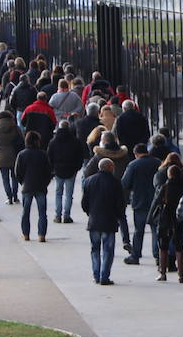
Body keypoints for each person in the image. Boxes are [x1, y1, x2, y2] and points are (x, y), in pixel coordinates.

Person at [81, 157, 126, 286]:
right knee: (108, 250)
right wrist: (118, 216)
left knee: (95, 249)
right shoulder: (115, 183)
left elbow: (84, 203)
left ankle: (96, 275)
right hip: (109, 221)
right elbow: (120, 204)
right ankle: (104, 276)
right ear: (111, 168)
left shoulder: (89, 181)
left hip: (94, 220)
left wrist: (90, 213)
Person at [150, 163, 183, 283]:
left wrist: (151, 216)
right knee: (179, 246)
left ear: (169, 175)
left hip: (166, 218)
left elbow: (157, 202)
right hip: (180, 219)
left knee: (163, 246)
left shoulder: (165, 187)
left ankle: (163, 273)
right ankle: (181, 275)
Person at [120, 144, 158, 265]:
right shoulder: (157, 163)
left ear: (136, 153)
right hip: (155, 201)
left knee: (138, 231)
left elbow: (125, 183)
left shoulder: (133, 165)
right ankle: (157, 255)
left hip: (139, 201)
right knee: (155, 230)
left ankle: (135, 255)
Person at [14, 130, 52, 242]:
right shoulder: (43, 154)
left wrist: (23, 182)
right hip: (40, 186)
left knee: (25, 212)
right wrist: (45, 183)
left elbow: (17, 172)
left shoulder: (22, 154)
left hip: (27, 186)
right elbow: (48, 172)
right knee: (42, 213)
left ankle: (26, 234)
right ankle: (42, 235)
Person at [47, 121, 83, 225]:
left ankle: (58, 215)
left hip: (58, 169)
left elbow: (49, 156)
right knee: (69, 194)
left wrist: (52, 168)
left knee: (58, 193)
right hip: (71, 169)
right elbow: (80, 155)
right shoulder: (75, 141)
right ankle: (66, 215)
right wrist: (77, 167)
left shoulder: (53, 141)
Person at [0, 111, 25, 205]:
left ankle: (9, 197)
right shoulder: (15, 128)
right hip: (15, 155)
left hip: (2, 156)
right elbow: (22, 141)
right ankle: (15, 196)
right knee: (14, 177)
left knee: (5, 179)